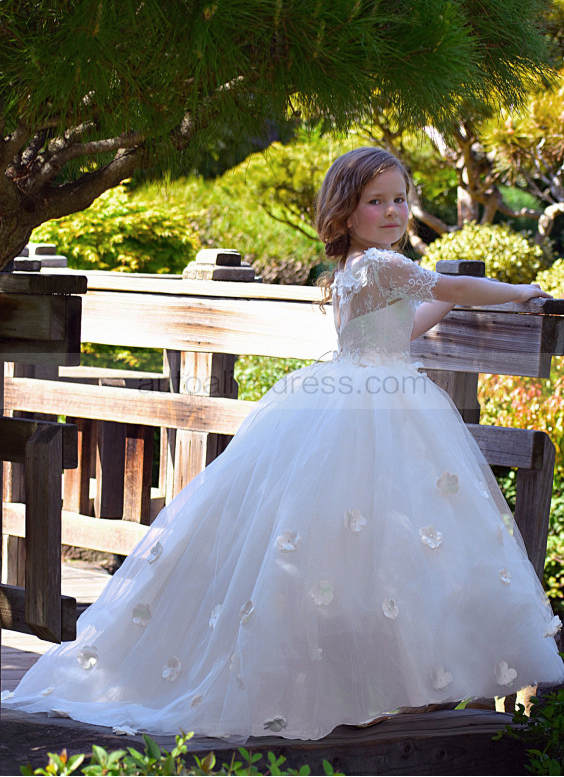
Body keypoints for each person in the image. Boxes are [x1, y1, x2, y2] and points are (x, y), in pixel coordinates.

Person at [3, 147, 563, 742]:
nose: (394, 211)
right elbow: (450, 283)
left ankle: (370, 684)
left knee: (357, 542)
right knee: (373, 541)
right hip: (373, 407)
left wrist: (444, 299)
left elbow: (402, 328)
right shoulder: (380, 264)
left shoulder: (359, 268)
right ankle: (372, 682)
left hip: (360, 393)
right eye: (377, 202)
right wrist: (523, 288)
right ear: (347, 213)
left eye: (400, 199)